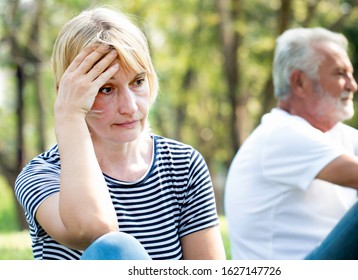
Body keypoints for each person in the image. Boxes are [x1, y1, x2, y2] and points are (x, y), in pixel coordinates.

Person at [14, 6, 225, 260]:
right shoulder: (41, 175)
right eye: (106, 89)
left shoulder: (183, 165)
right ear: (67, 91)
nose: (131, 107)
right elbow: (98, 233)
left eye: (137, 82)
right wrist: (69, 116)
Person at [224, 27, 358, 260]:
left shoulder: (335, 134)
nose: (353, 85)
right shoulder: (282, 134)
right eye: (340, 73)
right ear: (299, 82)